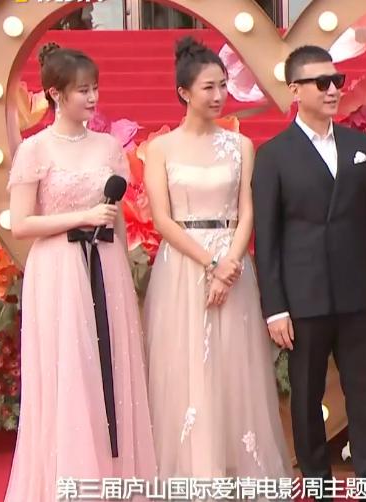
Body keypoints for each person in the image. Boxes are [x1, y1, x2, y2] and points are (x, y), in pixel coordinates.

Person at [4, 43, 156, 501]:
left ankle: (116, 478)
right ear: (55, 94)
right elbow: (21, 223)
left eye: (95, 89)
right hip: (57, 268)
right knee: (69, 368)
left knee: (112, 366)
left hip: (106, 264)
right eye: (82, 90)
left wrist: (111, 240)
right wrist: (82, 218)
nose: (92, 98)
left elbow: (116, 212)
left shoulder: (109, 147)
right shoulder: (34, 150)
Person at [142, 36, 292, 486]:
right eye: (209, 87)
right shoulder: (161, 149)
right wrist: (211, 263)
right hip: (183, 265)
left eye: (223, 85)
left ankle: (236, 467)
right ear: (184, 92)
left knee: (234, 364)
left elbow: (248, 211)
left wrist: (230, 265)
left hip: (233, 261)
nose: (219, 95)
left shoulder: (240, 145)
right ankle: (193, 470)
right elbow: (162, 219)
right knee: (185, 362)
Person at [251, 45, 366, 486]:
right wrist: (275, 308)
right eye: (322, 83)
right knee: (306, 395)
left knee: (363, 390)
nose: (333, 90)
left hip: (359, 292)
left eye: (337, 81)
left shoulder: (358, 145)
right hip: (304, 297)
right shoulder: (274, 154)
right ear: (295, 90)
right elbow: (268, 238)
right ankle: (316, 480)